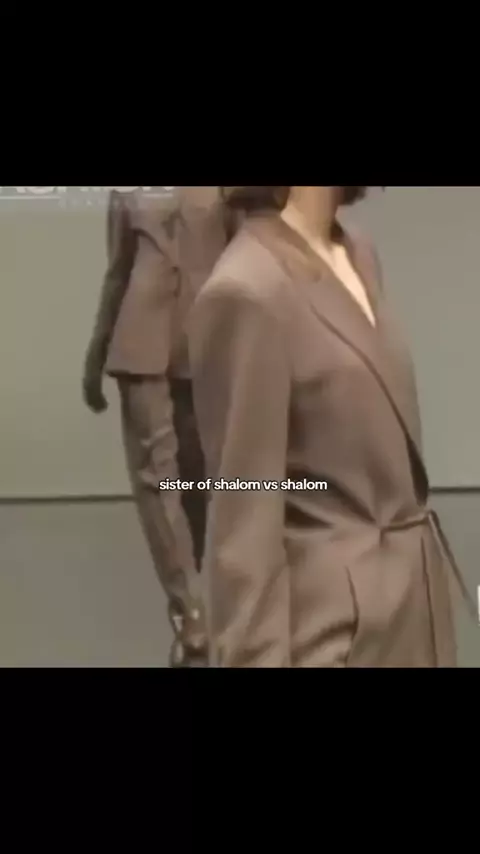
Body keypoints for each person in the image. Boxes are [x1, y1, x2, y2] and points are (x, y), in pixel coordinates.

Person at [188, 185, 475, 668]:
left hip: (414, 616)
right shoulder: (247, 290)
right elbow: (244, 528)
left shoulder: (358, 253)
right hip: (337, 638)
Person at [82, 186, 233, 667]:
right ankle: (191, 611)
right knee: (158, 477)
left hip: (203, 341)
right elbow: (119, 270)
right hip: (142, 341)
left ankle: (198, 606)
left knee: (195, 478)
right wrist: (96, 353)